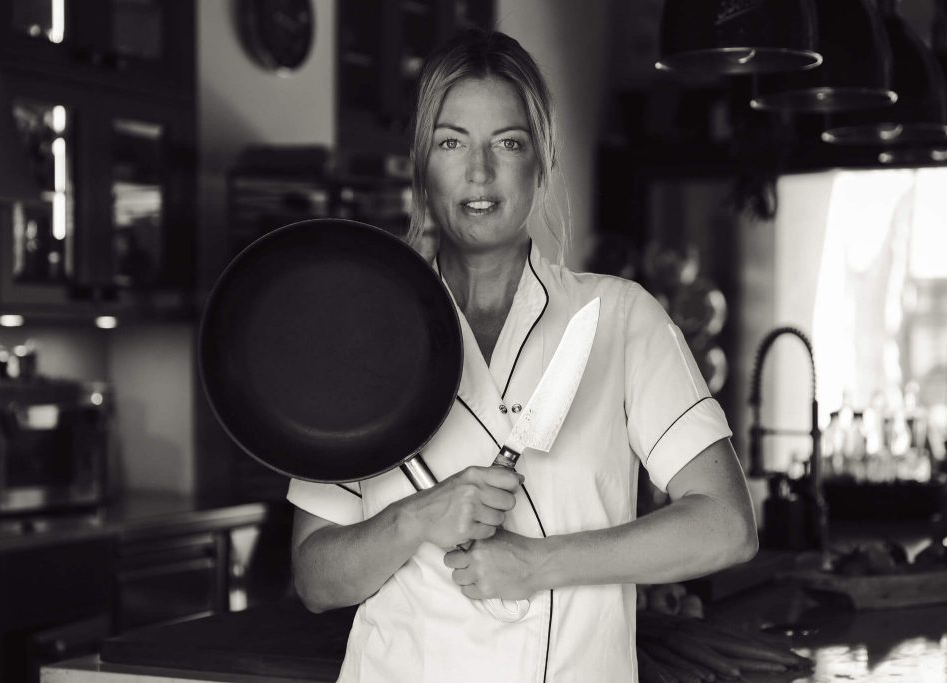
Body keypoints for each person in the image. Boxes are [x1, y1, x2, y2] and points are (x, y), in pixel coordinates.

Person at [288, 29, 758, 682]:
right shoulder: (364, 335)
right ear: (424, 162)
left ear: (542, 158)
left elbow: (727, 525)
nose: (479, 173)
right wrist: (414, 518)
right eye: (453, 142)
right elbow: (315, 575)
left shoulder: (620, 319)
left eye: (506, 143)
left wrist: (537, 563)